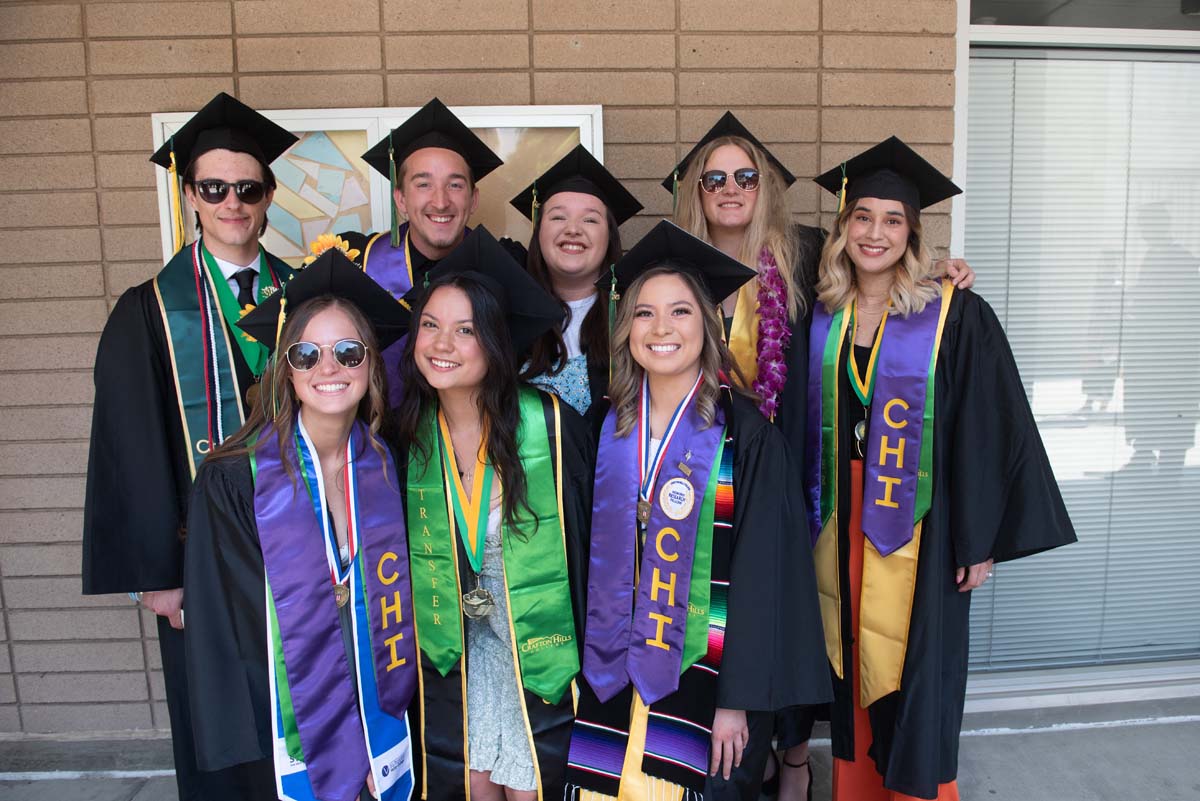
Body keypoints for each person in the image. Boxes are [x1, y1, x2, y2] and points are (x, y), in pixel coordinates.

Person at [667, 112, 977, 801]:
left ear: (764, 186)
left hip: (796, 479)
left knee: (793, 615)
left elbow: (873, 272)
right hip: (696, 477)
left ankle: (793, 757)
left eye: (745, 175)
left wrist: (938, 269)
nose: (730, 187)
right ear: (696, 189)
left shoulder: (800, 255)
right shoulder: (672, 266)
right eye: (713, 177)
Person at [806, 137, 1077, 800]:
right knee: (850, 662)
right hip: (838, 519)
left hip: (922, 522)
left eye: (892, 220)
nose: (876, 233)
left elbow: (988, 427)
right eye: (862, 216)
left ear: (913, 233)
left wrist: (977, 537)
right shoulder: (821, 315)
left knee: (918, 669)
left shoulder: (954, 314)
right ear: (843, 227)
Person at [564, 221, 831, 801]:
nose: (661, 329)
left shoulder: (748, 438)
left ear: (708, 327)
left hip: (707, 682)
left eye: (680, 312)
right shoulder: (601, 429)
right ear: (624, 328)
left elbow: (765, 583)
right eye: (644, 313)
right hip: (608, 674)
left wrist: (736, 700)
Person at [81, 92, 298, 801]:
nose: (232, 202)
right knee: (224, 739)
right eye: (214, 188)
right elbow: (132, 448)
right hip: (205, 574)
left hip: (305, 566)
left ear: (268, 195)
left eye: (247, 187)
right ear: (190, 195)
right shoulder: (147, 310)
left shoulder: (307, 302)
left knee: (312, 721)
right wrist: (162, 576)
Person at [183, 249, 417, 801]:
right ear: (285, 368)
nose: (328, 368)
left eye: (348, 351)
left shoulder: (390, 465)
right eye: (306, 353)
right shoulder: (234, 481)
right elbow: (228, 634)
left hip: (380, 713)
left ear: (371, 364)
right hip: (284, 731)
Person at [394, 227, 595, 800]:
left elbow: (588, 553)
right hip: (464, 654)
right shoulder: (407, 437)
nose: (442, 343)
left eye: (466, 330)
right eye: (430, 325)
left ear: (497, 341)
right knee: (473, 784)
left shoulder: (553, 428)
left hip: (539, 650)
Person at [344, 98, 517, 406]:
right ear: (400, 199)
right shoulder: (357, 261)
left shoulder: (508, 266)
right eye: (423, 185)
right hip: (381, 438)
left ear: (474, 199)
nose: (440, 202)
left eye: (455, 186)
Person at [510, 144, 643, 417]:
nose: (573, 229)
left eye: (590, 220)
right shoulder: (507, 314)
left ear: (609, 237)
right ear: (538, 231)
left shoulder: (635, 318)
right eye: (558, 217)